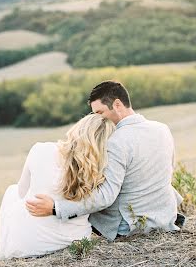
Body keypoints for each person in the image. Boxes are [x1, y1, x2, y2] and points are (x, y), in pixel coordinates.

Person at [27, 80, 184, 241]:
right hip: (165, 218)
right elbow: (168, 172)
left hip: (131, 226)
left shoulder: (115, 141)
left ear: (117, 105)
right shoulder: (162, 128)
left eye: (99, 113)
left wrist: (56, 208)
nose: (97, 119)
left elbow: (105, 197)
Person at [0, 113, 115, 263]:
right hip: (74, 238)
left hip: (29, 243)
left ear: (77, 129)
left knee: (12, 191)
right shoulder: (99, 169)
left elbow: (21, 192)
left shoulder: (40, 149)